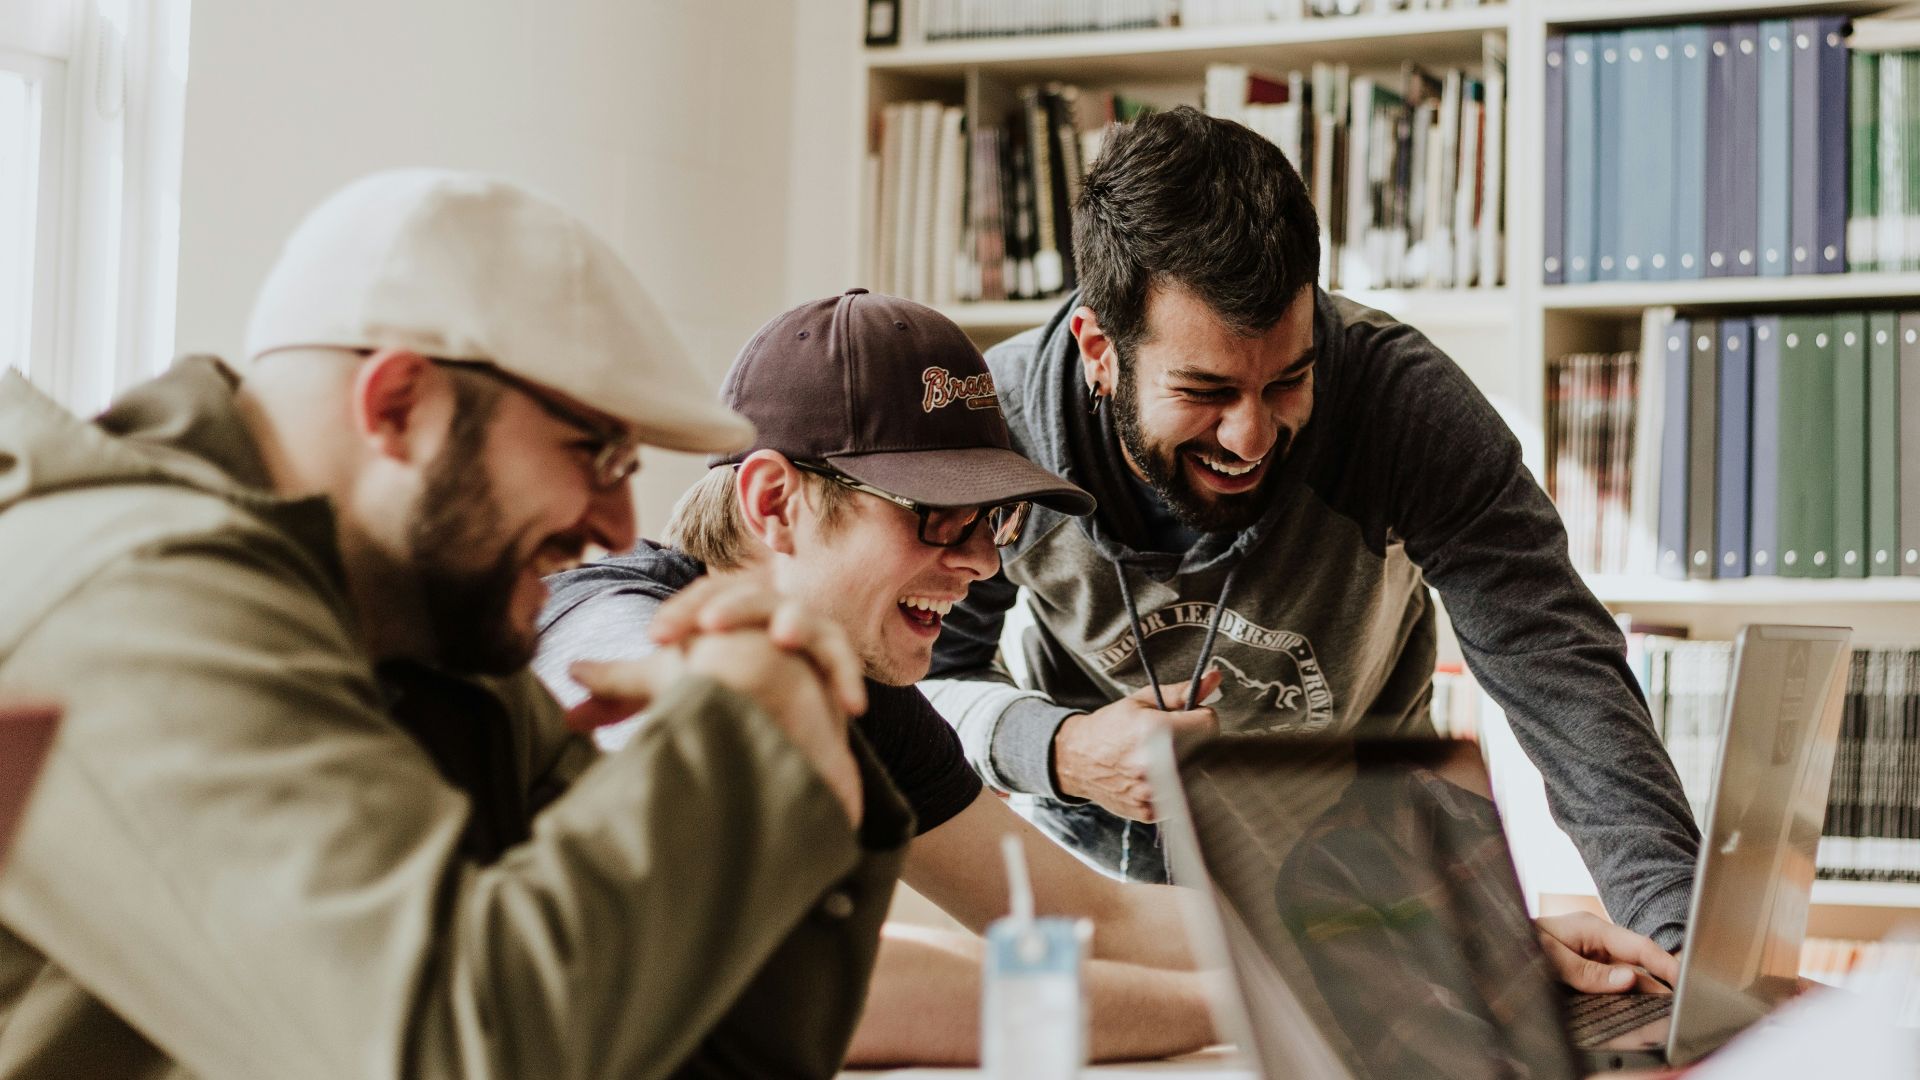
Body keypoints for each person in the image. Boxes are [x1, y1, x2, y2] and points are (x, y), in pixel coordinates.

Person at [534, 291, 1680, 1067]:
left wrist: (1443, 945)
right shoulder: (616, 633)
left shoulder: (861, 685)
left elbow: (1082, 913)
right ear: (775, 502)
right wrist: (1305, 1000)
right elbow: (803, 980)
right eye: (937, 519)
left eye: (992, 524)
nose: (982, 562)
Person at [0, 170, 908, 1079]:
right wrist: (740, 734)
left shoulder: (435, 641)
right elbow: (455, 1052)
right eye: (594, 451)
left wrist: (802, 734)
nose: (620, 527)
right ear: (398, 405)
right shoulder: (135, 604)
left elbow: (702, 1053)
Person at [923, 106, 1703, 953]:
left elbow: (1562, 675)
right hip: (1101, 901)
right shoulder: (999, 435)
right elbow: (923, 685)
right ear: (1099, 350)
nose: (1250, 437)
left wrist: (1679, 948)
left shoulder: (1406, 408)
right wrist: (1061, 750)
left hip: (1364, 883)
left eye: (1288, 381)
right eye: (1206, 392)